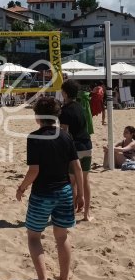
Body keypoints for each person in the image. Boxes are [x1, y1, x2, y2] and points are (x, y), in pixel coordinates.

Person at [16, 96, 84, 280]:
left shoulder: (34, 137)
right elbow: (77, 167)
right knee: (62, 237)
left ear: (38, 116)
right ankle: (64, 278)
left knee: (34, 237)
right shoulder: (66, 136)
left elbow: (34, 171)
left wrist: (21, 188)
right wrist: (79, 194)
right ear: (56, 115)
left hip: (42, 194)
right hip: (64, 191)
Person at [60, 79, 93, 222]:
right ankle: (86, 215)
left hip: (76, 148)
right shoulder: (80, 106)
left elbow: (64, 132)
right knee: (85, 180)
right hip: (88, 145)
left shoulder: (65, 110)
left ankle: (71, 213)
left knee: (71, 181)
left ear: (65, 93)